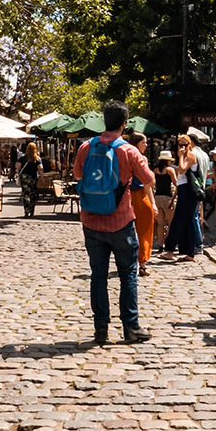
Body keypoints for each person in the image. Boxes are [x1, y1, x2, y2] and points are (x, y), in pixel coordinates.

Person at [73, 100, 155, 344]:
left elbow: (78, 175)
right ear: (124, 124)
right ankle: (131, 327)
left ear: (103, 121)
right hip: (120, 220)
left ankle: (101, 329)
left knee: (98, 275)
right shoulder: (128, 151)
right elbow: (148, 179)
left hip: (91, 220)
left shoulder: (86, 147)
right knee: (128, 274)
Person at [162, 135, 200, 262]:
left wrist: (181, 156)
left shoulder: (189, 155)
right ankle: (188, 252)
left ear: (189, 145)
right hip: (184, 189)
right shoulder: (184, 156)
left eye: (185, 145)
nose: (182, 147)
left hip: (189, 191)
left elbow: (182, 170)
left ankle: (170, 249)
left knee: (179, 219)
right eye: (180, 145)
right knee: (187, 221)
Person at [127, 133, 157, 276]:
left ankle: (128, 261)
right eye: (144, 142)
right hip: (139, 196)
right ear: (137, 143)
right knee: (144, 230)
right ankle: (142, 263)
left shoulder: (123, 156)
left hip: (125, 197)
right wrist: (153, 203)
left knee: (126, 230)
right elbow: (147, 184)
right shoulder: (141, 158)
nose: (146, 145)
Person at [153, 151, 177, 253]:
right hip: (167, 198)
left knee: (160, 224)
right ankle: (168, 243)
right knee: (170, 223)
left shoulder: (155, 170)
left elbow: (154, 184)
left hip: (157, 197)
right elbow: (176, 183)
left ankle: (160, 245)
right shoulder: (170, 170)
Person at [19, 142, 41, 218]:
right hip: (33, 178)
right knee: (33, 194)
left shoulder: (23, 157)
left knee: (26, 194)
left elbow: (17, 165)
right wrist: (42, 177)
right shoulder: (37, 158)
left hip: (24, 178)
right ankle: (32, 211)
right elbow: (40, 169)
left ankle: (26, 210)